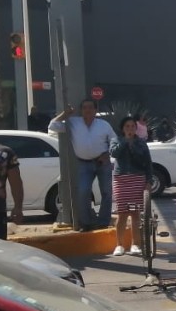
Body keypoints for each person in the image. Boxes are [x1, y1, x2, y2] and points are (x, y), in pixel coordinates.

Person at [48, 99, 118, 230]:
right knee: (83, 191)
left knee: (107, 192)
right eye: (85, 107)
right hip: (84, 163)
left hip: (102, 162)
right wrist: (65, 114)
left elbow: (114, 140)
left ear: (95, 110)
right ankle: (86, 223)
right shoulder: (74, 122)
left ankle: (103, 221)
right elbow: (52, 126)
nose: (88, 110)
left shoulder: (104, 125)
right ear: (81, 110)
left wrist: (107, 154)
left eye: (91, 107)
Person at [110, 116, 153, 256]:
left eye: (132, 127)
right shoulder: (116, 140)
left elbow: (148, 162)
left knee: (135, 213)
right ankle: (119, 245)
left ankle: (136, 244)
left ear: (136, 128)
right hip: (121, 179)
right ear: (123, 129)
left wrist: (148, 181)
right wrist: (125, 142)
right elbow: (114, 153)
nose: (130, 129)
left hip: (137, 178)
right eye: (127, 127)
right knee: (122, 213)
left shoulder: (141, 143)